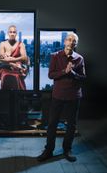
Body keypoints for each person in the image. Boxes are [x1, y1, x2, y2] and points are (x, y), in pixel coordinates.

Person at [37, 32, 86, 162]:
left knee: (71, 125)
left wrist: (73, 72)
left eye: (74, 41)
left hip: (74, 95)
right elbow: (51, 75)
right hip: (58, 95)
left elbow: (83, 77)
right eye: (69, 40)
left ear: (76, 44)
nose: (71, 42)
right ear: (65, 42)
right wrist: (65, 71)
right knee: (52, 123)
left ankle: (67, 150)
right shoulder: (55, 56)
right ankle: (48, 150)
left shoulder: (80, 58)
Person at [0, 25, 30, 90]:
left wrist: (11, 59)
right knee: (6, 75)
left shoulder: (21, 44)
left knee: (17, 76)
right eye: (10, 32)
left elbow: (24, 58)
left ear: (16, 33)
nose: (12, 34)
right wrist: (13, 63)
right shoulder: (3, 44)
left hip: (18, 69)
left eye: (14, 32)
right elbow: (1, 59)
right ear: (8, 33)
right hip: (5, 68)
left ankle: (18, 96)